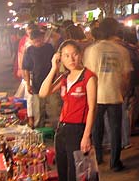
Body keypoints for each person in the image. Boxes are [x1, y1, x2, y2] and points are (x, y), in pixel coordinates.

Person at [39, 40, 97, 181]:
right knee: (63, 171)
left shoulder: (88, 77)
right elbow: (43, 92)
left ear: (80, 54)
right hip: (62, 129)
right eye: (66, 56)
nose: (71, 59)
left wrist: (86, 136)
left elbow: (92, 109)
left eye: (74, 54)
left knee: (77, 173)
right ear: (60, 58)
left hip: (78, 130)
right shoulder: (64, 77)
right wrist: (53, 68)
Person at [83, 18, 132, 172]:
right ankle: (115, 162)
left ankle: (98, 156)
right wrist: (123, 92)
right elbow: (126, 77)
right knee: (115, 128)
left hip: (96, 94)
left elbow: (87, 74)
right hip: (114, 94)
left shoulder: (92, 50)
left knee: (97, 128)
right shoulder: (122, 50)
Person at [22, 29, 56, 128]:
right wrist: (28, 84)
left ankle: (55, 130)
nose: (37, 43)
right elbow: (26, 68)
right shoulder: (29, 50)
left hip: (51, 83)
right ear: (31, 41)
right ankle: (38, 130)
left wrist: (57, 77)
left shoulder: (49, 48)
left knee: (53, 109)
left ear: (42, 38)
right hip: (37, 84)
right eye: (35, 41)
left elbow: (56, 64)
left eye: (39, 40)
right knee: (38, 109)